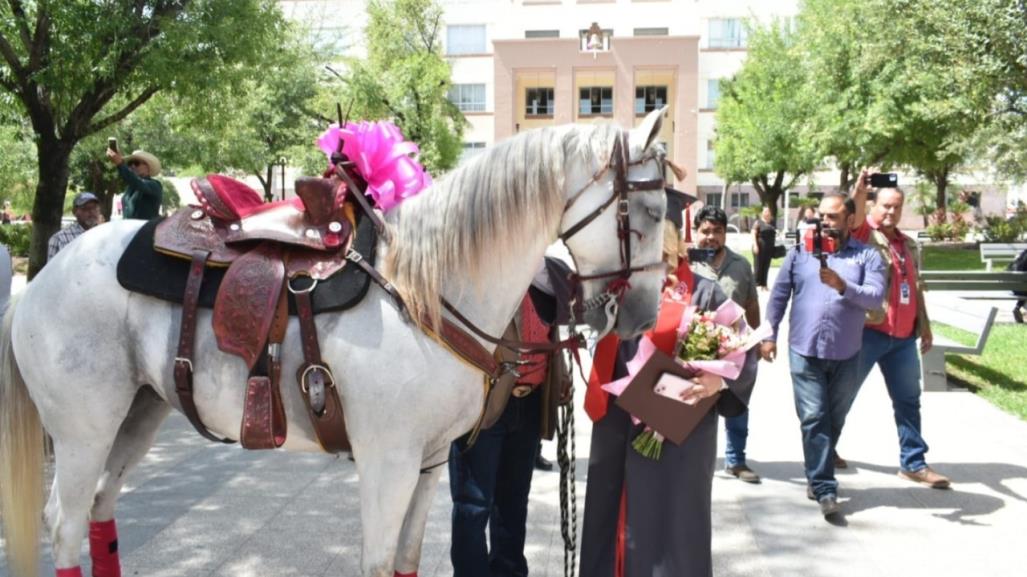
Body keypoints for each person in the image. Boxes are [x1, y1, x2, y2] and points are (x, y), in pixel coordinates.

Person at [580, 188, 758, 577]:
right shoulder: (618, 292)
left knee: (675, 520)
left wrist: (718, 382)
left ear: (677, 244)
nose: (651, 255)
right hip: (615, 423)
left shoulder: (705, 292)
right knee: (609, 513)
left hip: (681, 433)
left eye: (660, 245)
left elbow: (745, 349)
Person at [761, 192, 886, 519]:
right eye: (822, 216)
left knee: (834, 418)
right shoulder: (799, 253)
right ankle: (825, 487)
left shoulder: (868, 257)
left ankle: (816, 472)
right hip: (804, 349)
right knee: (815, 417)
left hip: (847, 352)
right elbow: (778, 297)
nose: (825, 222)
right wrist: (769, 335)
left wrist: (843, 286)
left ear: (850, 220)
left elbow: (874, 299)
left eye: (832, 217)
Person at [449, 257, 573, 577]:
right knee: (473, 506)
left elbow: (570, 315)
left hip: (530, 404)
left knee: (514, 504)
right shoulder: (479, 265)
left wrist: (561, 374)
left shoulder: (552, 271)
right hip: (484, 404)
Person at [842, 171, 950, 488]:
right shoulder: (862, 235)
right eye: (886, 206)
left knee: (908, 400)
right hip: (868, 332)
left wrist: (925, 326)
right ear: (873, 206)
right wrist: (859, 191)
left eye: (897, 207)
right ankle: (824, 449)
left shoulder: (908, 244)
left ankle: (913, 463)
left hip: (903, 339)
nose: (891, 212)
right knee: (842, 395)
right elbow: (855, 215)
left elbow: (915, 288)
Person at [691, 205, 763, 483]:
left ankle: (736, 460)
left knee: (737, 404)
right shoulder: (686, 262)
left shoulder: (741, 266)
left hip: (733, 350)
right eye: (705, 231)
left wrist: (757, 342)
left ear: (725, 234)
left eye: (717, 231)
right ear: (696, 233)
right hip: (694, 350)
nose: (711, 237)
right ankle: (695, 457)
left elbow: (751, 303)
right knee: (694, 405)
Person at [106, 146, 163, 220]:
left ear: (147, 167)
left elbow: (137, 183)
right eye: (130, 163)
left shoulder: (154, 185)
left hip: (146, 230)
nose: (132, 166)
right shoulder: (130, 187)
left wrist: (120, 164)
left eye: (136, 163)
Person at [47, 192, 104, 261]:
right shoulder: (60, 239)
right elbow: (53, 269)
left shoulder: (105, 235)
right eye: (85, 208)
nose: (91, 212)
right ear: (74, 211)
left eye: (94, 208)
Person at [752, 205, 776, 290]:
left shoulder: (772, 222)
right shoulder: (758, 222)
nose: (766, 213)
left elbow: (774, 233)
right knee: (758, 266)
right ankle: (756, 284)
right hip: (759, 246)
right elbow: (753, 233)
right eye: (765, 211)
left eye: (768, 211)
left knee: (766, 266)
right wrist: (755, 245)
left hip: (769, 247)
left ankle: (764, 285)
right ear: (762, 213)